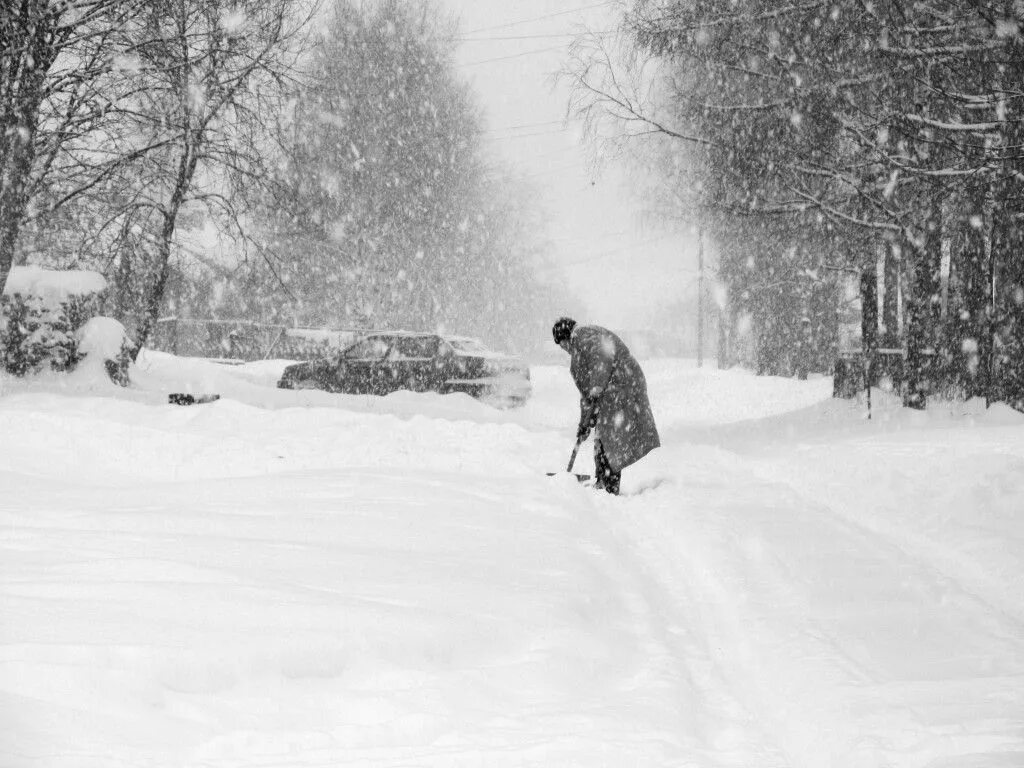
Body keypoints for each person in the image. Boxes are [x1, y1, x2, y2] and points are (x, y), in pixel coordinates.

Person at [552, 317, 660, 495]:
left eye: (561, 344)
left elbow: (601, 360)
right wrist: (584, 425)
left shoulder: (584, 336)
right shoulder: (580, 346)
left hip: (622, 386)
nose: (564, 349)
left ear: (566, 337)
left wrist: (596, 388)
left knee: (611, 438)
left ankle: (608, 484)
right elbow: (587, 394)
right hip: (614, 390)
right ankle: (603, 481)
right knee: (603, 437)